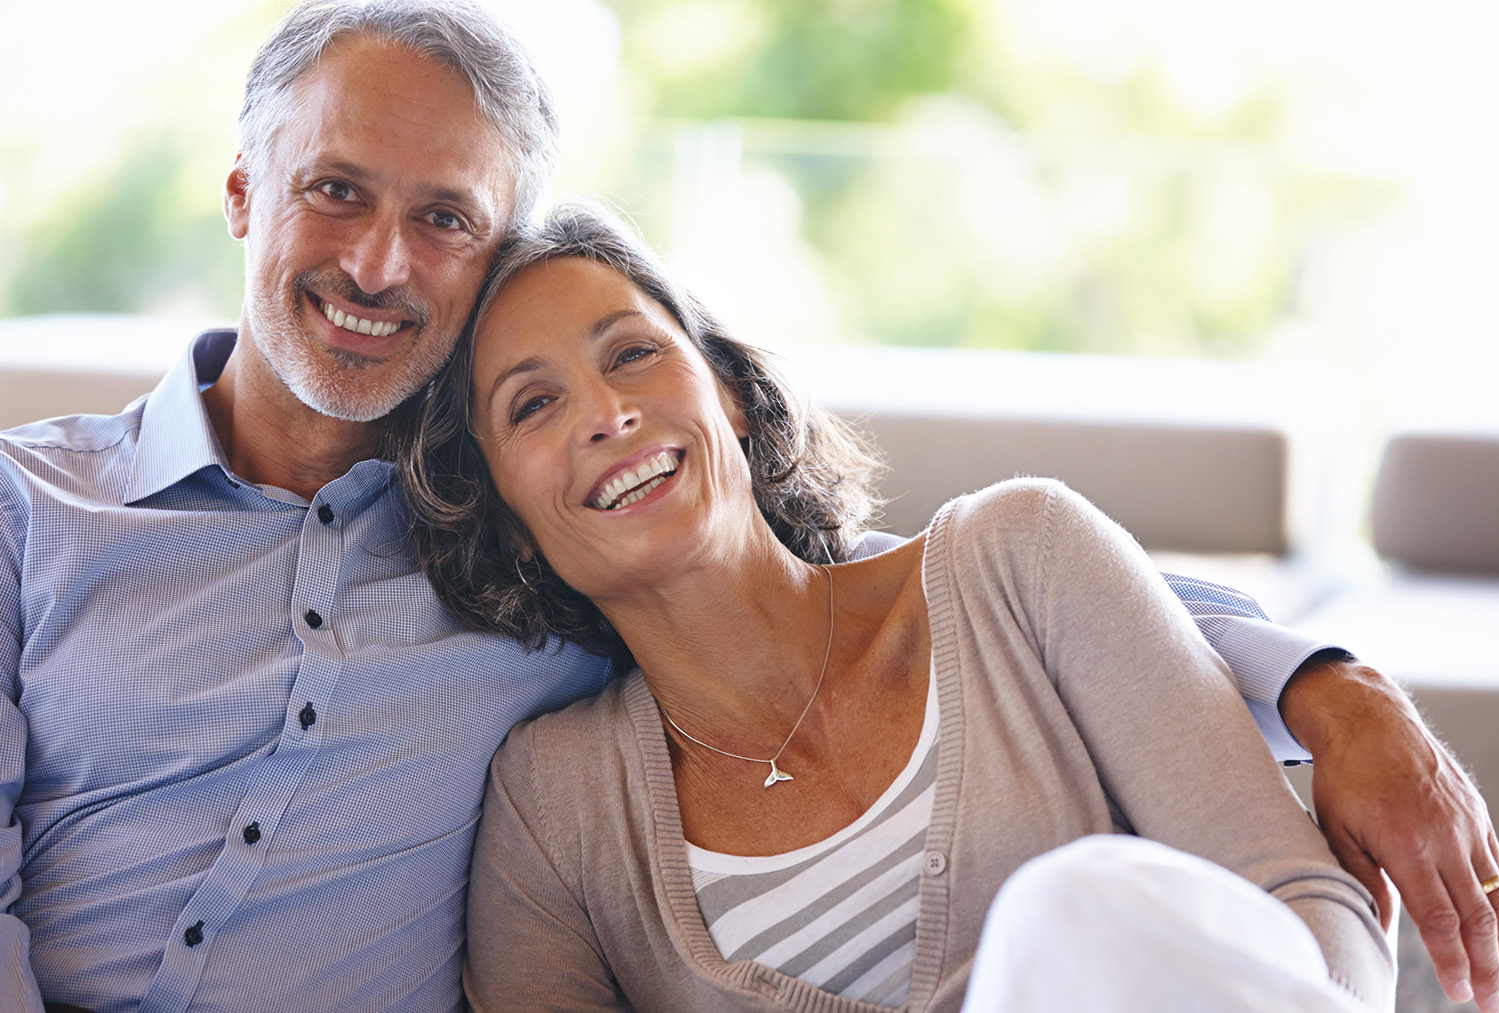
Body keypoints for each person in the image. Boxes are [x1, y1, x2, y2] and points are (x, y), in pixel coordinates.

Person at [0, 1, 1499, 1011]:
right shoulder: (2, 518)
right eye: (336, 193)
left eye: (445, 219)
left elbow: (888, 586)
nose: (378, 262)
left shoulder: (504, 562)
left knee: (1087, 904)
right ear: (241, 194)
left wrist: (1319, 677)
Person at [405, 203, 1399, 1009]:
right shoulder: (554, 806)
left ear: (728, 391)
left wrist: (1338, 688)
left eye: (629, 353)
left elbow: (1307, 911)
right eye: (533, 405)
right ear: (509, 517)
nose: (607, 414)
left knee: (1078, 905)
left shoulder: (1020, 558)